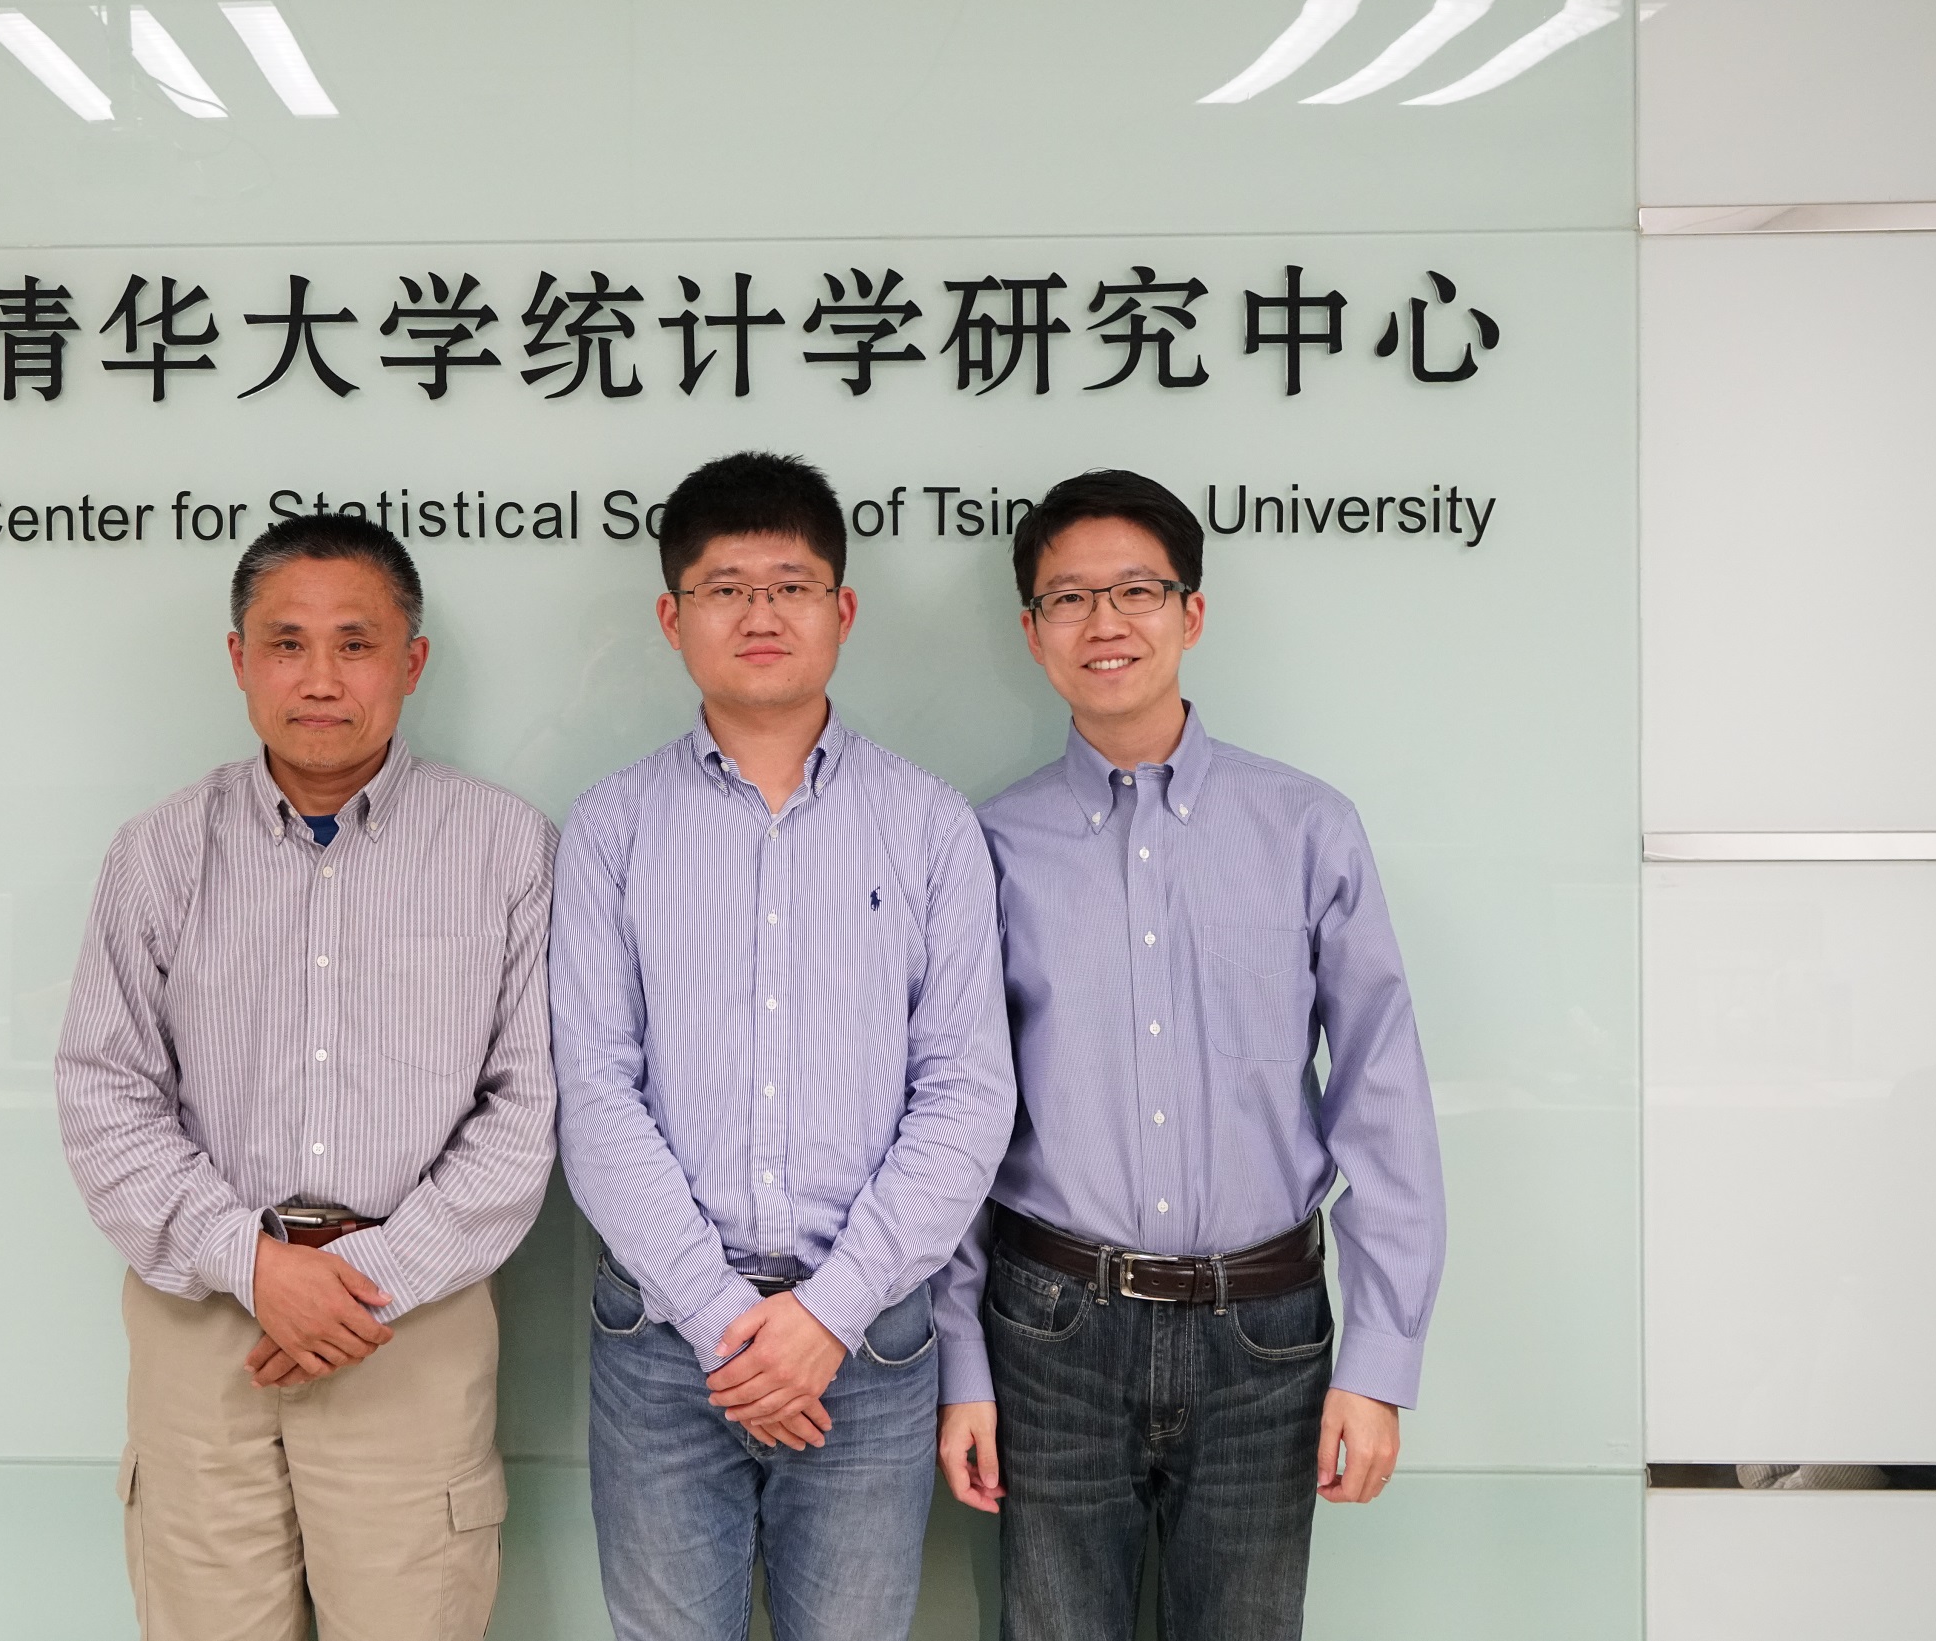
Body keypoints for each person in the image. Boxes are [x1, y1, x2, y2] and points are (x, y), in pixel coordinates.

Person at [933, 468, 1447, 1639]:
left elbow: (1382, 1093)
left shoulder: (1306, 827)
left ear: (1191, 612)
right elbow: (957, 1116)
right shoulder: (989, 844)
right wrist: (963, 1362)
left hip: (1266, 1332)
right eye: (1069, 598)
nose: (1104, 622)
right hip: (1051, 1330)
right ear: (1032, 632)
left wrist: (1379, 1361)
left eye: (1137, 591)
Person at [55, 513, 558, 1641]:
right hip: (204, 1322)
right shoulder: (160, 850)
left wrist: (365, 1277)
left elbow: (526, 1108)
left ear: (411, 661)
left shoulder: (505, 848)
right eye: (286, 644)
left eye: (355, 643)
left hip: (411, 1323)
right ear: (239, 659)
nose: (320, 678)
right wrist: (253, 1262)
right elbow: (105, 1090)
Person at [551, 451, 1015, 1641]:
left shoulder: (929, 825)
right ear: (673, 618)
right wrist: (723, 1322)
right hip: (662, 1345)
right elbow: (594, 1093)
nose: (760, 613)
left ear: (842, 610)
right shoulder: (612, 826)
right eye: (725, 588)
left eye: (791, 586)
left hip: (869, 1343)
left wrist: (827, 1317)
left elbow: (966, 1093)